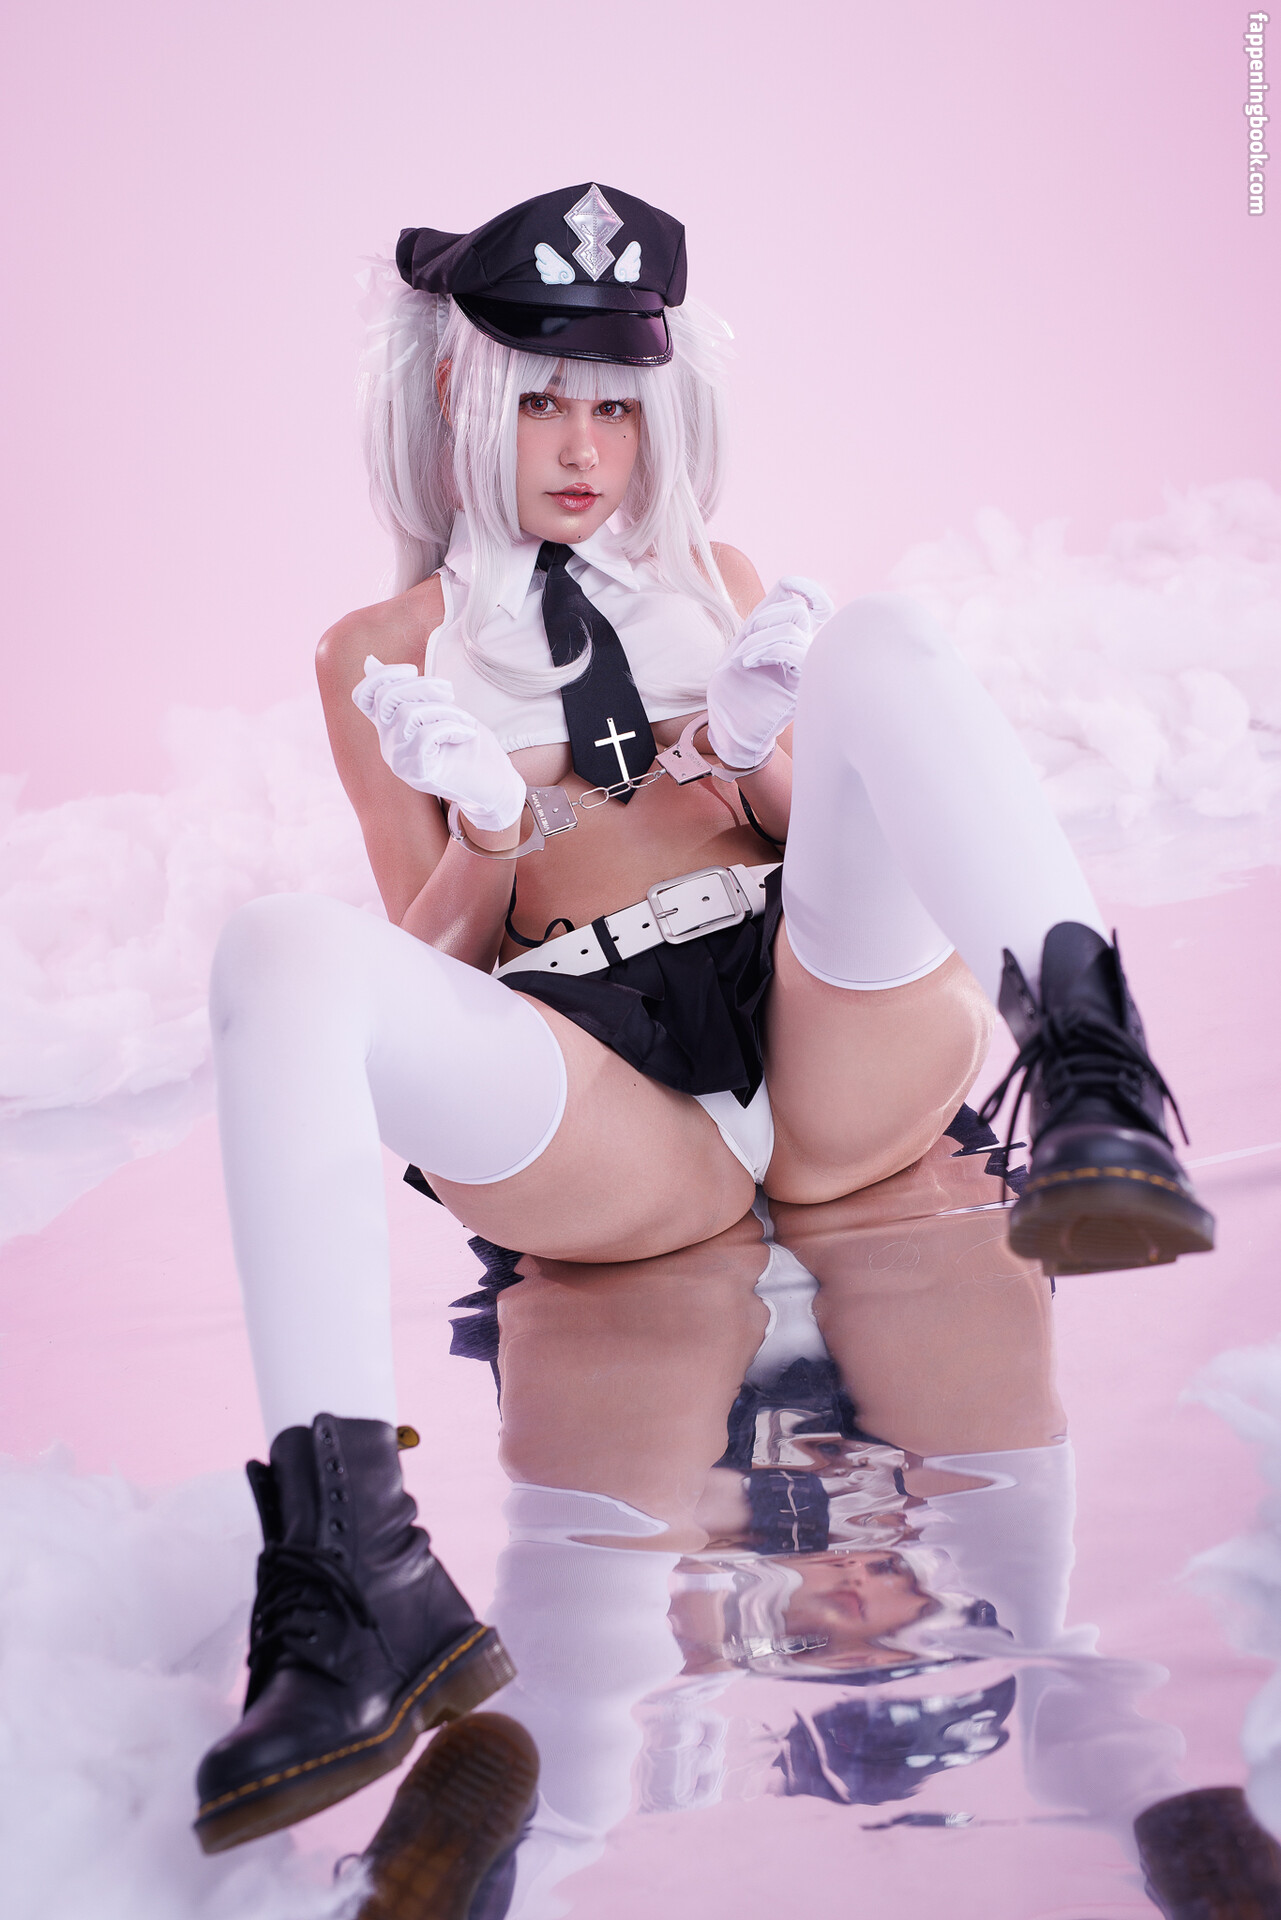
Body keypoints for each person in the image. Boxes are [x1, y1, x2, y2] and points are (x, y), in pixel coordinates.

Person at [193, 182, 1213, 1850]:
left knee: (883, 638)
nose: (581, 448)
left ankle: (1094, 1080)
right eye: (541, 402)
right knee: (278, 956)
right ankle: (349, 1579)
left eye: (614, 406)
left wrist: (753, 753)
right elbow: (430, 965)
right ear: (457, 403)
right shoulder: (374, 653)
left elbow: (826, 847)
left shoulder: (712, 577)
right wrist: (490, 833)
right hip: (603, 1097)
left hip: (818, 1040)